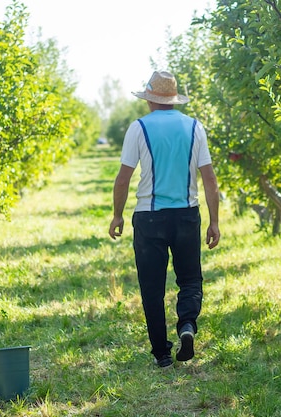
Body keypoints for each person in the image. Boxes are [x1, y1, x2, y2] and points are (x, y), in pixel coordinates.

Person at [108, 70, 220, 368]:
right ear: (173, 100)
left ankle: (162, 354)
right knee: (190, 279)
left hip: (149, 218)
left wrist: (117, 215)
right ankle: (186, 324)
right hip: (187, 216)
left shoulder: (138, 128)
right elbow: (209, 179)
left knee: (152, 287)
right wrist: (214, 221)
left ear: (150, 100)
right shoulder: (195, 127)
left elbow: (123, 179)